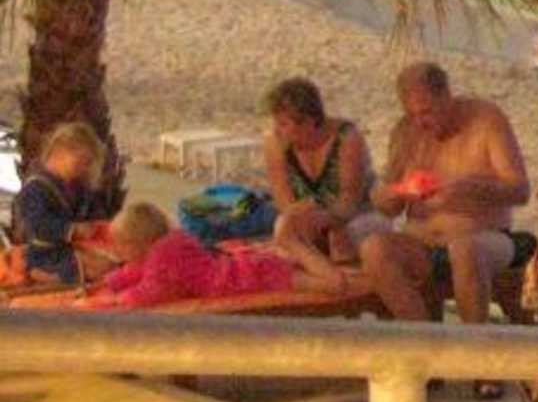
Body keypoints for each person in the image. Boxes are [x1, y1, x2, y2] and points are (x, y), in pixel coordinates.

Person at [359, 62, 530, 327]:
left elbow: (520, 191)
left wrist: (471, 188)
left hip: (483, 237)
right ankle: (423, 336)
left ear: (446, 96)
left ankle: (471, 344)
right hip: (421, 242)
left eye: (427, 112)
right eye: (412, 114)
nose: (420, 122)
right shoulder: (407, 132)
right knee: (374, 249)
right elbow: (385, 205)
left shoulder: (486, 120)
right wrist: (397, 192)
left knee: (464, 250)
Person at [81, 202, 339, 309]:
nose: (119, 251)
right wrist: (110, 282)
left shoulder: (164, 258)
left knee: (334, 285)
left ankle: (292, 242)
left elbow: (152, 291)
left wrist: (116, 299)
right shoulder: (163, 250)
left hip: (252, 277)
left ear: (143, 243)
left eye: (124, 245)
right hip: (245, 269)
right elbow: (136, 271)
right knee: (301, 271)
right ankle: (297, 247)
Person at [261, 77, 375, 288]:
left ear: (309, 122)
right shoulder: (276, 143)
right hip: (307, 216)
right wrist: (303, 218)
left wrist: (329, 220)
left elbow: (350, 198)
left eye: (284, 124)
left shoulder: (346, 138)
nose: (278, 130)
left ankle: (341, 282)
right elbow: (283, 199)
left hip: (354, 214)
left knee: (350, 236)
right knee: (284, 230)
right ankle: (328, 280)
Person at [10, 122, 110, 286]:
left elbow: (89, 212)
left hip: (70, 248)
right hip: (45, 253)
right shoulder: (35, 188)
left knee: (105, 264)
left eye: (87, 164)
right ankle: (47, 275)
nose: (83, 169)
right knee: (83, 269)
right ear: (59, 152)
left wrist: (92, 225)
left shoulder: (77, 186)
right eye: (80, 162)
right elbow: (38, 225)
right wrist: (72, 229)